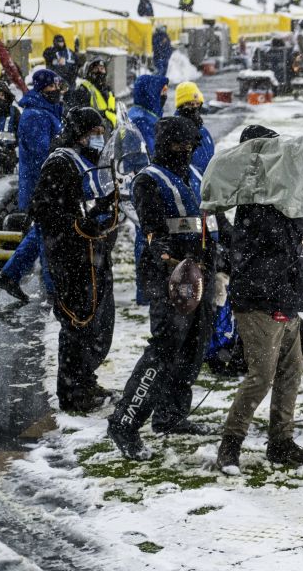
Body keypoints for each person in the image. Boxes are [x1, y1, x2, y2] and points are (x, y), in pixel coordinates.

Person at [108, 117, 225, 460]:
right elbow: (152, 228)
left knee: (193, 349)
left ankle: (171, 415)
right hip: (171, 278)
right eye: (180, 145)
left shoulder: (196, 175)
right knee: (163, 351)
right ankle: (125, 423)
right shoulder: (149, 179)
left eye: (191, 145)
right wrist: (167, 256)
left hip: (202, 275)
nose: (187, 150)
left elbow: (213, 219)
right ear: (165, 145)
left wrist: (227, 255)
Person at [216, 125, 303, 473]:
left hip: (285, 296)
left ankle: (280, 443)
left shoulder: (283, 191)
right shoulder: (255, 197)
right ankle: (229, 447)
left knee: (290, 370)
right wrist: (301, 199)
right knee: (261, 377)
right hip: (259, 301)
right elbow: (285, 234)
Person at [30, 108, 118, 413]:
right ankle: (72, 392)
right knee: (77, 323)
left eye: (101, 131)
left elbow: (95, 200)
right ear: (78, 133)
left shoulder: (94, 162)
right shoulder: (60, 162)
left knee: (98, 323)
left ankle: (85, 379)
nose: (98, 137)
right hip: (71, 257)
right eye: (92, 131)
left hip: (95, 253)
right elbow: (42, 210)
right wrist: (77, 225)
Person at [0, 70, 65, 304]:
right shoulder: (35, 116)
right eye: (53, 87)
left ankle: (10, 275)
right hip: (42, 187)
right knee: (47, 236)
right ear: (43, 89)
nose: (57, 91)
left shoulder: (45, 112)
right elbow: (42, 153)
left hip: (47, 185)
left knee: (40, 233)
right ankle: (53, 291)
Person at [127, 74, 169, 303]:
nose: (165, 95)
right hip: (147, 186)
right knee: (147, 237)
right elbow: (147, 155)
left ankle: (148, 291)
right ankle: (145, 293)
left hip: (150, 184)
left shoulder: (148, 115)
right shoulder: (141, 120)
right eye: (162, 90)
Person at [174, 81, 215, 172]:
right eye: (190, 104)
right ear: (181, 106)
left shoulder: (203, 131)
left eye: (197, 104)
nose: (195, 108)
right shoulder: (176, 132)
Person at [66, 58, 116, 128]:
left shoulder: (109, 90)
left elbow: (114, 111)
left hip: (112, 132)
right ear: (89, 72)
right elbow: (81, 114)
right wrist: (103, 114)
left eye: (102, 69)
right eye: (96, 69)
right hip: (94, 132)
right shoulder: (83, 89)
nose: (99, 72)